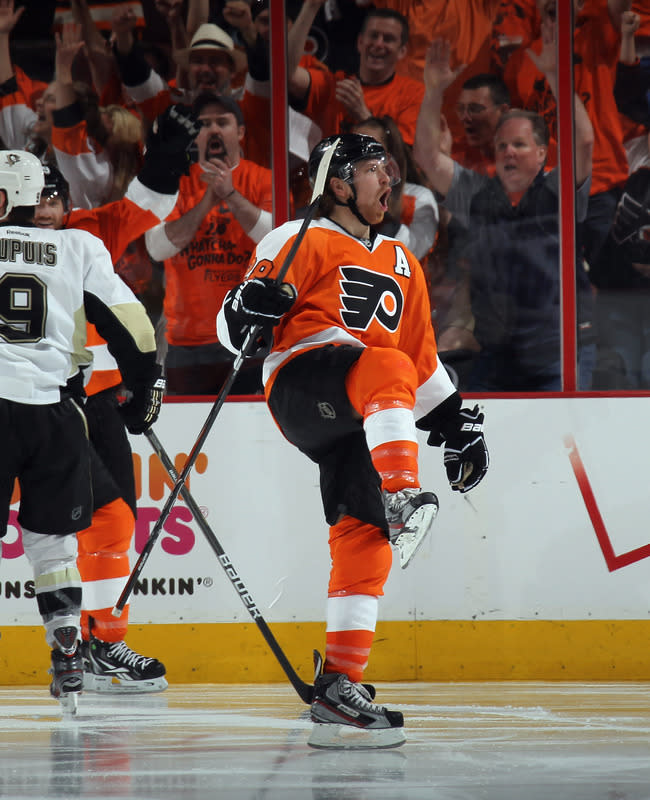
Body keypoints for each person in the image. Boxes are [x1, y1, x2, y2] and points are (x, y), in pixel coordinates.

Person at [216, 134, 489, 747]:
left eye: (389, 171)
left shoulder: (401, 260)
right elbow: (233, 329)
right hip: (302, 381)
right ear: (338, 185)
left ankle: (340, 685)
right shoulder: (296, 238)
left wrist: (451, 424)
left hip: (367, 407)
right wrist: (246, 311)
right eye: (373, 171)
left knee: (364, 537)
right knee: (384, 366)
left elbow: (422, 363)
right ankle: (402, 495)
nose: (387, 181)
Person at [30, 104, 198, 691]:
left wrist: (171, 152)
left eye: (55, 200)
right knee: (105, 517)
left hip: (99, 401)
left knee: (118, 521)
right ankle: (101, 642)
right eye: (36, 200)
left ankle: (105, 643)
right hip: (41, 406)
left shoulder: (85, 236)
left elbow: (143, 207)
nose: (45, 211)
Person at [0, 149, 164, 711]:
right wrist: (148, 386)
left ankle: (101, 645)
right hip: (55, 411)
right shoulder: (80, 246)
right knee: (52, 543)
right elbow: (135, 326)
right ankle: (70, 647)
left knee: (108, 519)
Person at [415, 18, 596, 391]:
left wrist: (557, 77)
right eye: (501, 146)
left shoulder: (558, 191)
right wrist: (433, 92)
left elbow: (584, 142)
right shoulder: (481, 193)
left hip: (558, 354)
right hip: (497, 353)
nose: (507, 152)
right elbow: (428, 157)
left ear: (543, 152)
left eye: (519, 145)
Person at [145, 91, 274, 394]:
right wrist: (206, 202)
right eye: (204, 124)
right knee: (190, 435)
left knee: (250, 432)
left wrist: (231, 195)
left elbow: (275, 238)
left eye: (222, 122)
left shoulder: (264, 180)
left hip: (248, 332)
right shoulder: (174, 184)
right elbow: (156, 248)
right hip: (186, 341)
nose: (213, 130)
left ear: (240, 132)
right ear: (195, 135)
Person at [286, 2, 425, 147]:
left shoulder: (413, 95)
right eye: (373, 36)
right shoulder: (335, 85)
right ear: (360, 42)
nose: (378, 44)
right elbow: (287, 73)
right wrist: (311, 7)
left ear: (402, 51)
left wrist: (364, 116)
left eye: (388, 39)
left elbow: (404, 158)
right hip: (331, 169)